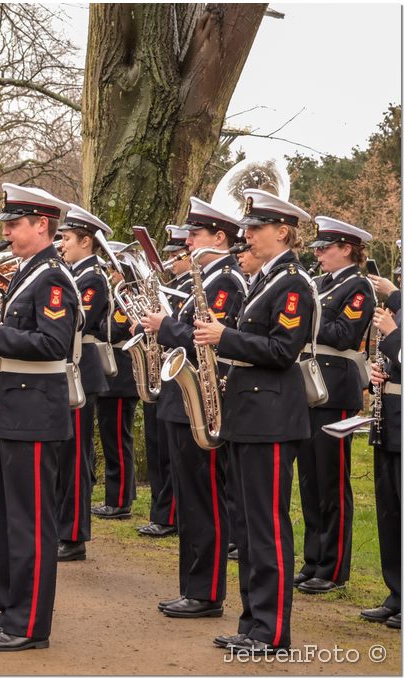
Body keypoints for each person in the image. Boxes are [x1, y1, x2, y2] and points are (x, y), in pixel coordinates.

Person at [0, 183, 77, 652]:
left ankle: (30, 624)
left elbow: (53, 343)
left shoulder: (53, 277)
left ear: (41, 225)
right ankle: (11, 615)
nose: (5, 232)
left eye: (14, 224)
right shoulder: (30, 272)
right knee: (8, 520)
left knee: (30, 522)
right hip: (15, 407)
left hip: (36, 412)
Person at [195, 188, 316, 653]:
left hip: (270, 418)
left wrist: (225, 338)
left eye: (255, 228)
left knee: (266, 526)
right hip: (249, 414)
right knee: (247, 526)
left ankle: (271, 630)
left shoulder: (293, 283)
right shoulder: (266, 281)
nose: (245, 235)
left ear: (282, 231)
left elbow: (284, 352)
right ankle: (252, 623)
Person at [140, 197, 247, 619]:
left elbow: (207, 337)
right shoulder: (204, 279)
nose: (187, 243)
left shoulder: (226, 281)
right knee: (191, 498)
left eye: (195, 235)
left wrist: (164, 326)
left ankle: (206, 592)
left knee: (205, 498)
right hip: (183, 398)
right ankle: (193, 586)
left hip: (204, 398)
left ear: (220, 238)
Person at [296, 217, 375, 595]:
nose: (317, 254)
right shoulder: (320, 284)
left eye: (324, 247)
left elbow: (345, 335)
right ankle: (312, 559)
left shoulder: (358, 287)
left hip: (335, 388)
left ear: (346, 249)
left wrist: (305, 319)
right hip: (309, 387)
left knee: (332, 481)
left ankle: (332, 568)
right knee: (310, 481)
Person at [54, 205, 112, 563]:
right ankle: (63, 526)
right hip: (67, 367)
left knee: (75, 457)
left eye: (66, 238)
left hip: (81, 369)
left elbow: (80, 321)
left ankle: (74, 534)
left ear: (86, 241)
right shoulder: (75, 273)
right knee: (64, 455)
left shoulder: (93, 277)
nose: (61, 244)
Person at [136, 226, 191, 539]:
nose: (170, 260)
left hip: (183, 373)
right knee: (160, 449)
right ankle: (164, 510)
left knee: (173, 457)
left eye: (176, 254)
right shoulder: (176, 287)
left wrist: (162, 325)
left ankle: (168, 513)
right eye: (168, 254)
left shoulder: (194, 286)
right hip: (168, 373)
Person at [93, 241, 139, 521]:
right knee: (112, 439)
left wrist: (99, 321)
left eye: (114, 270)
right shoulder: (115, 295)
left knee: (118, 441)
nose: (111, 274)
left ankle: (119, 499)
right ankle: (119, 494)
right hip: (113, 377)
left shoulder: (127, 296)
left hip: (121, 377)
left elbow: (112, 328)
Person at [365, 297, 401, 629]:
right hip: (390, 421)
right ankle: (396, 594)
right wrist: (380, 372)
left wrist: (392, 335)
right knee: (389, 515)